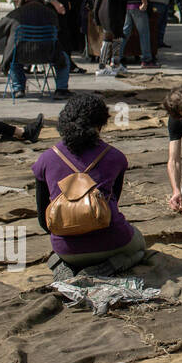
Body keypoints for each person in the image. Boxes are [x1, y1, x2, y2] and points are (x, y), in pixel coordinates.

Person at [31, 92, 146, 275]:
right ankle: (115, 264)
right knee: (139, 243)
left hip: (66, 248)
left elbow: (42, 219)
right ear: (100, 124)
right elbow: (112, 205)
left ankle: (64, 264)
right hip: (112, 241)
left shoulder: (45, 159)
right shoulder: (115, 157)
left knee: (68, 251)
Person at [0, 0, 73, 99]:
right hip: (48, 54)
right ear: (43, 1)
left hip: (20, 55)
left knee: (12, 55)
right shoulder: (51, 14)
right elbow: (56, 31)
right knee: (64, 58)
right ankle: (61, 90)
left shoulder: (16, 14)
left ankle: (18, 88)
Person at [92, 0, 128, 75]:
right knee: (113, 38)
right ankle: (103, 66)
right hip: (114, 10)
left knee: (112, 37)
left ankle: (113, 64)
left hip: (102, 9)